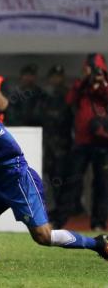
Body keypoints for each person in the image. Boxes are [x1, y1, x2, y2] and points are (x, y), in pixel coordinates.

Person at [0, 98, 108, 261]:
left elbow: (13, 149)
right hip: (1, 182)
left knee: (44, 236)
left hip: (19, 181)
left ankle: (98, 244)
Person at [54, 54, 108, 231]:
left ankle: (99, 222)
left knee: (102, 183)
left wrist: (103, 83)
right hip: (82, 143)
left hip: (102, 142)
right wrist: (84, 80)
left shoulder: (105, 85)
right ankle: (61, 220)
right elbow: (69, 100)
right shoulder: (81, 86)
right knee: (72, 182)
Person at [39, 65, 73, 214]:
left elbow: (69, 118)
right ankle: (52, 210)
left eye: (59, 76)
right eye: (54, 76)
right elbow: (40, 117)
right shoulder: (45, 96)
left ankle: (62, 210)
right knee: (49, 177)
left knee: (63, 177)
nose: (56, 79)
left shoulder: (68, 95)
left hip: (63, 142)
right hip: (48, 142)